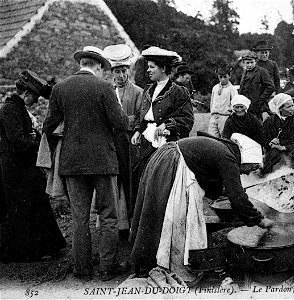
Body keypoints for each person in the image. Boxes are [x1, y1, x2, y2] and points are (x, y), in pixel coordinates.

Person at [129, 133, 274, 285]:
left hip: (166, 156)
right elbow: (237, 200)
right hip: (173, 162)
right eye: (253, 167)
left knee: (157, 212)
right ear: (247, 159)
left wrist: (232, 192)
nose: (249, 172)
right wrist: (260, 221)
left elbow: (209, 178)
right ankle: (168, 267)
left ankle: (148, 264)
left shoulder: (225, 151)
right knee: (172, 218)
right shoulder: (229, 158)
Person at [43, 46, 129, 281]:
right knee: (109, 216)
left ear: (82, 62)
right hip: (103, 161)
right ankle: (106, 268)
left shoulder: (60, 88)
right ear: (99, 65)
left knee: (79, 218)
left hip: (72, 164)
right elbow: (120, 123)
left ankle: (82, 269)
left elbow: (48, 125)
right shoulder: (105, 87)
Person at [0, 70, 66, 263]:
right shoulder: (10, 109)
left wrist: (32, 137)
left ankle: (42, 247)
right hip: (14, 167)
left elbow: (25, 136)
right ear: (26, 93)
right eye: (35, 97)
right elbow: (17, 141)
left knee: (34, 202)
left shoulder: (17, 107)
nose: (35, 102)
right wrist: (37, 143)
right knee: (23, 206)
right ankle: (26, 252)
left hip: (21, 164)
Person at [130, 46, 194, 205]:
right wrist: (138, 130)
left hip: (168, 145)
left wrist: (166, 125)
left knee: (163, 182)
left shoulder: (179, 91)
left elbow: (187, 119)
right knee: (144, 179)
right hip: (146, 142)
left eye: (152, 67)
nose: (148, 71)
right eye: (148, 67)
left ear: (163, 68)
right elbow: (141, 114)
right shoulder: (148, 89)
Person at [103, 44, 144, 232]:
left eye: (123, 71)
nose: (120, 75)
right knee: (114, 183)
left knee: (131, 181)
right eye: (117, 71)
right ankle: (119, 223)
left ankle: (132, 221)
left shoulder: (137, 91)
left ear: (128, 71)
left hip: (130, 142)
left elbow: (140, 117)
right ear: (112, 73)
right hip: (113, 142)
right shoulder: (109, 91)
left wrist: (121, 121)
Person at [261, 93, 294, 175]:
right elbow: (263, 138)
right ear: (280, 109)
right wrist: (270, 142)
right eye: (289, 107)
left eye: (293, 105)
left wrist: (283, 147)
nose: (293, 109)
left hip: (292, 152)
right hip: (274, 152)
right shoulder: (270, 121)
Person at [238, 50, 275, 121]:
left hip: (256, 105)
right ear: (243, 62)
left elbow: (270, 87)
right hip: (246, 105)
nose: (249, 65)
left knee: (257, 125)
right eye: (247, 63)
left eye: (252, 62)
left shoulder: (261, 72)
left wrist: (260, 100)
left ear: (256, 61)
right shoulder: (245, 73)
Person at [208, 65, 238, 138]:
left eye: (225, 77)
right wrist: (212, 113)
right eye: (220, 77)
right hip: (214, 116)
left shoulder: (232, 89)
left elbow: (235, 103)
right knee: (212, 138)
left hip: (225, 117)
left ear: (229, 76)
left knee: (224, 138)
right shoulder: (215, 88)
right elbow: (212, 102)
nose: (222, 79)